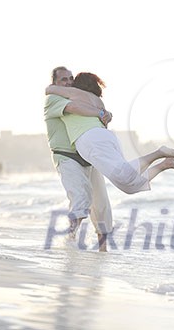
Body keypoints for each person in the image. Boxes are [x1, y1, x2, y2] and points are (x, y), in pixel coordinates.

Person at [47, 72, 174, 195]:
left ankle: (159, 153)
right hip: (107, 137)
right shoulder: (98, 101)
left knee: (123, 175)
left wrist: (51, 87)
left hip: (89, 139)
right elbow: (105, 122)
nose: (70, 83)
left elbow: (51, 89)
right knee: (129, 186)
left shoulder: (75, 94)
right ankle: (165, 164)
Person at [44, 66, 113, 250]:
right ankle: (70, 239)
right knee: (81, 196)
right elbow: (74, 108)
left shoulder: (79, 97)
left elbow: (96, 114)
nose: (69, 82)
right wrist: (99, 112)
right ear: (55, 84)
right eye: (63, 80)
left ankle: (103, 249)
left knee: (101, 204)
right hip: (66, 156)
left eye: (70, 78)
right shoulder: (54, 99)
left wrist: (107, 114)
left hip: (89, 156)